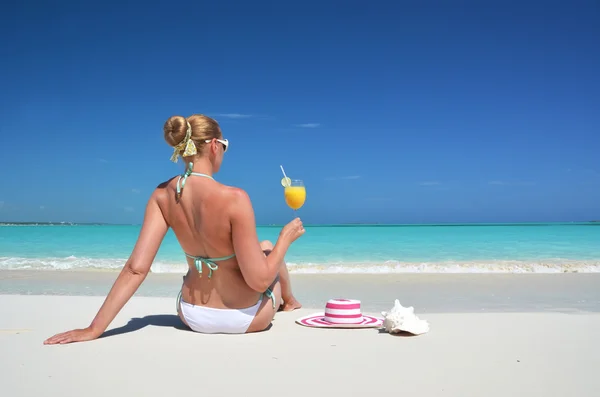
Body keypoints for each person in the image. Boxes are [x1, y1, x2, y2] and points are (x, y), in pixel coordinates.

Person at [44, 114, 304, 344]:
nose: (224, 151)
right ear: (214, 145)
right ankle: (289, 301)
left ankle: (289, 299)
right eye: (225, 146)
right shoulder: (235, 198)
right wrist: (285, 239)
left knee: (261, 250)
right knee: (269, 247)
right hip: (245, 318)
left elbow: (135, 269)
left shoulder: (162, 195)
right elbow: (258, 280)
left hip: (192, 315)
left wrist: (94, 328)